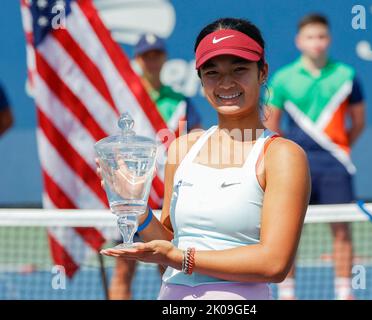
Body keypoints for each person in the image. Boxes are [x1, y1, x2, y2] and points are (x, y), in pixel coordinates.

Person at [100, 17, 310, 300]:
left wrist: (181, 258)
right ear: (200, 79)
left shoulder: (283, 155)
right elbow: (169, 247)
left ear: (263, 72)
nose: (226, 83)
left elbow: (274, 263)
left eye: (239, 69)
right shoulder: (182, 149)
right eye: (212, 73)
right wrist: (138, 209)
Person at [264, 14, 366, 300]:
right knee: (288, 232)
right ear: (299, 42)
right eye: (310, 37)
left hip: (336, 166)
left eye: (321, 37)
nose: (316, 43)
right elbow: (272, 124)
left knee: (342, 231)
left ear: (329, 39)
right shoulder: (283, 78)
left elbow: (358, 122)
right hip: (296, 167)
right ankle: (287, 293)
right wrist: (286, 158)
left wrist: (340, 149)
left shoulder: (346, 75)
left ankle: (345, 293)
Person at [108, 33, 202, 300]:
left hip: (168, 195)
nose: (151, 61)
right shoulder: (126, 101)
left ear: (164, 58)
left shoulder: (181, 101)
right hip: (132, 196)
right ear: (137, 59)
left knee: (168, 265)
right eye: (145, 56)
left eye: (156, 55)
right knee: (124, 268)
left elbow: (194, 140)